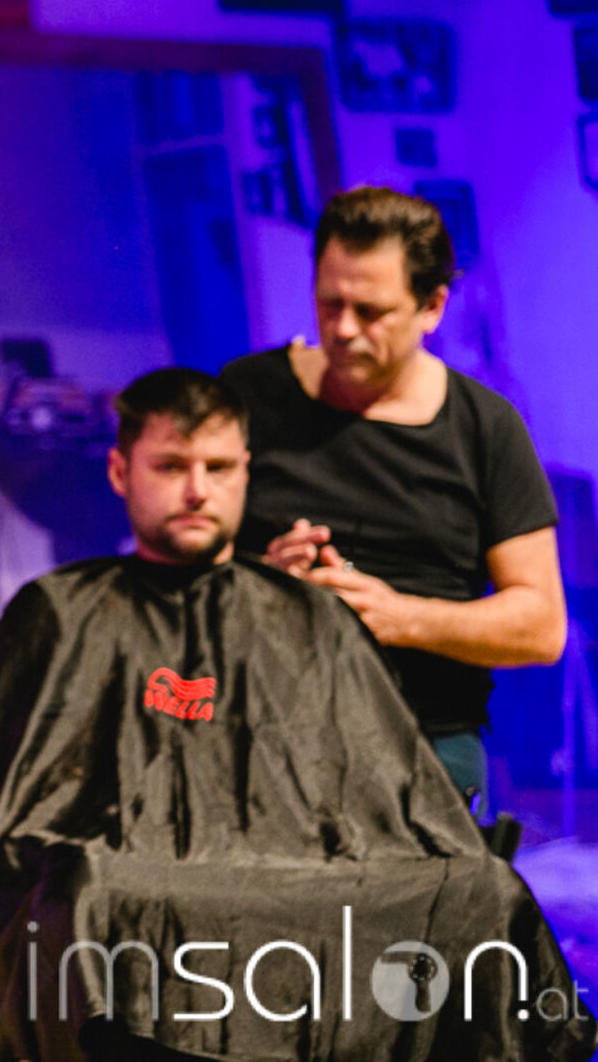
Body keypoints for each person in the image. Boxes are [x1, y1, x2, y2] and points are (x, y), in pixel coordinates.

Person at [0, 368, 595, 1062]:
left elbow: (384, 797)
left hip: (299, 871)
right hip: (133, 875)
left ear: (246, 471)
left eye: (217, 468)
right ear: (121, 472)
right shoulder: (59, 615)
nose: (196, 490)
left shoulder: (307, 617)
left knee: (482, 891)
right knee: (90, 895)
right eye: (171, 466)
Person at [220, 187, 565, 805]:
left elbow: (540, 626)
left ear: (432, 307)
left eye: (371, 311)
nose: (343, 329)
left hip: (424, 743)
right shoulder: (248, 394)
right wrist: (262, 582)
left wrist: (398, 616)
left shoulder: (484, 427)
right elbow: (175, 570)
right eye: (329, 303)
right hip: (265, 736)